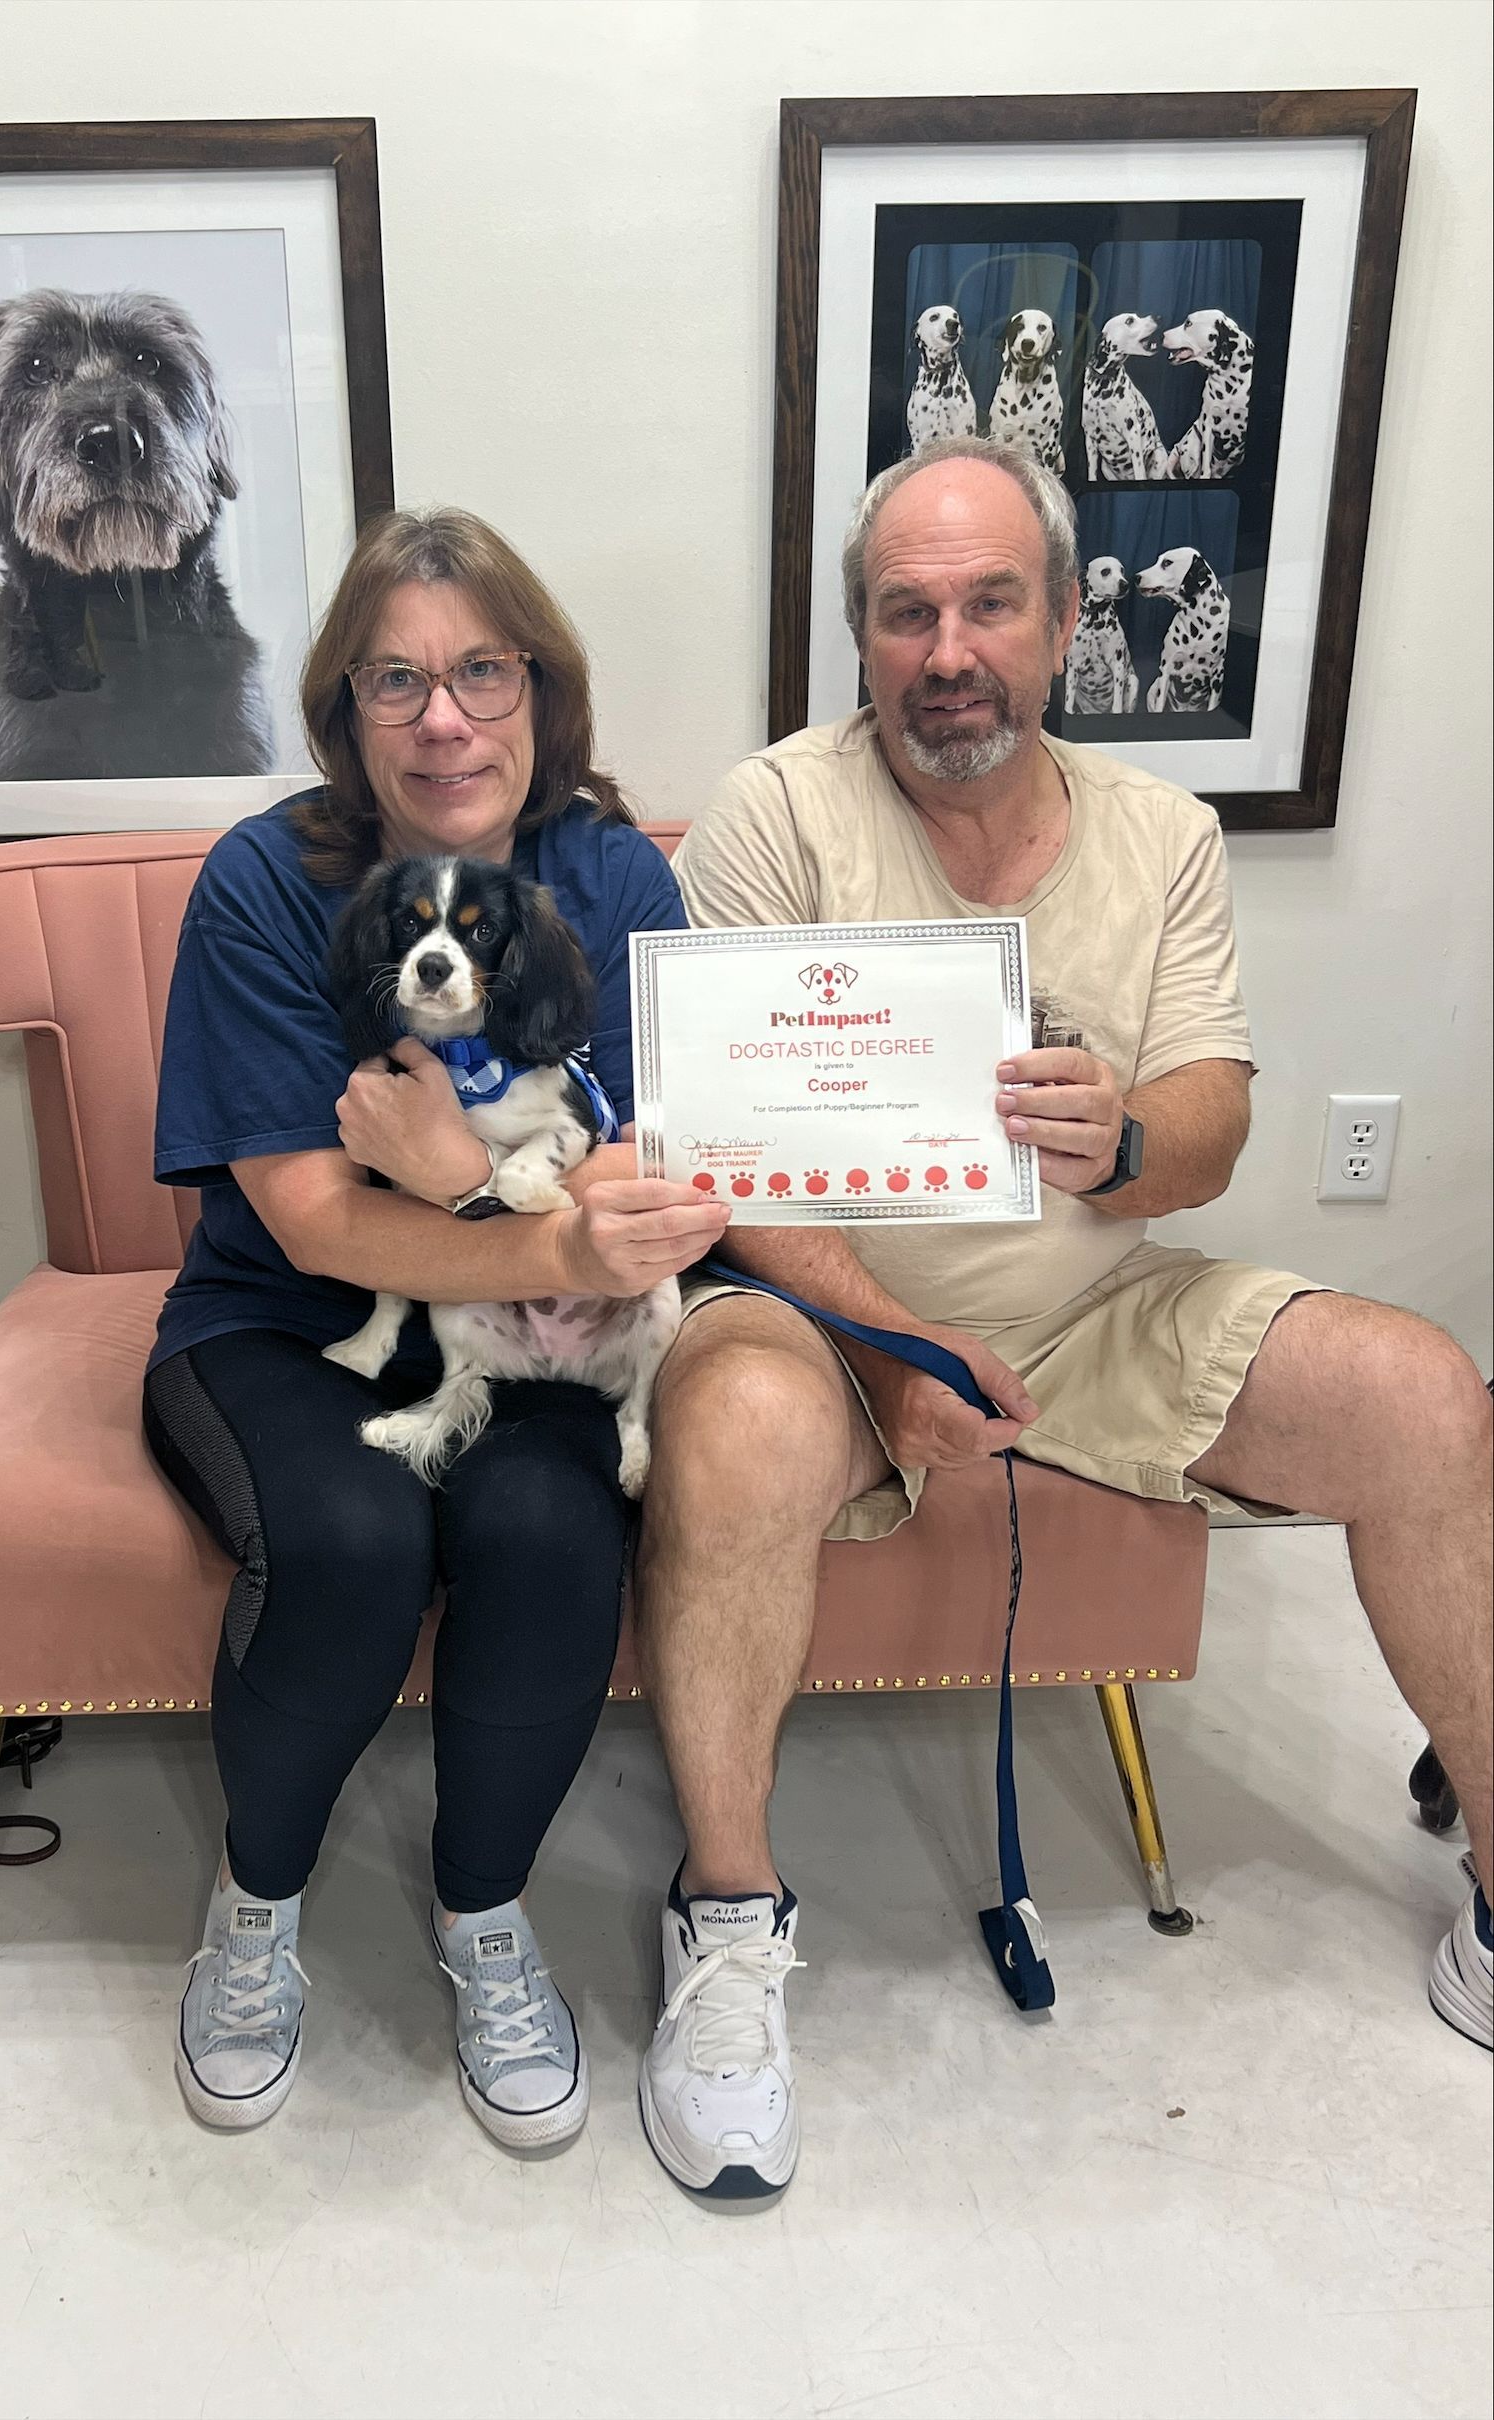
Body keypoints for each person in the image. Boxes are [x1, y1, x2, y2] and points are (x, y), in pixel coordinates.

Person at [634, 435, 1493, 2201]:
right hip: (819, 1312)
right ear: (861, 640)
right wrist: (903, 1348)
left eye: (989, 603)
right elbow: (730, 1169)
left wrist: (1129, 1138)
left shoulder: (1164, 835)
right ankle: (727, 1923)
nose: (948, 650)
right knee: (725, 1425)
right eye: (905, 613)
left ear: (1069, 618)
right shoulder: (770, 817)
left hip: (1100, 1297)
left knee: (1421, 1395)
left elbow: (1217, 1118)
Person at [144, 508, 728, 2141]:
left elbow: (656, 1192)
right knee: (349, 1545)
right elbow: (320, 1218)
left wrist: (470, 1179)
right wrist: (543, 1221)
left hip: (536, 1333)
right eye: (395, 680)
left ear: (540, 691)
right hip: (288, 1327)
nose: (444, 718)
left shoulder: (613, 879)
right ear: (343, 710)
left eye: (482, 670)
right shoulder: (267, 882)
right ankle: (255, 1911)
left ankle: (484, 1912)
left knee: (553, 1540)